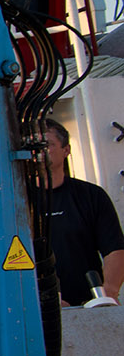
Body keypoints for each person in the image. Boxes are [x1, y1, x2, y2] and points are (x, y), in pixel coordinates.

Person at [38, 119, 124, 306]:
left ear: (66, 150)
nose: (40, 151)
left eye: (48, 144)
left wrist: (107, 294)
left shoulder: (92, 195)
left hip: (88, 306)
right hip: (35, 310)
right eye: (36, 145)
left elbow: (115, 250)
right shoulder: (16, 202)